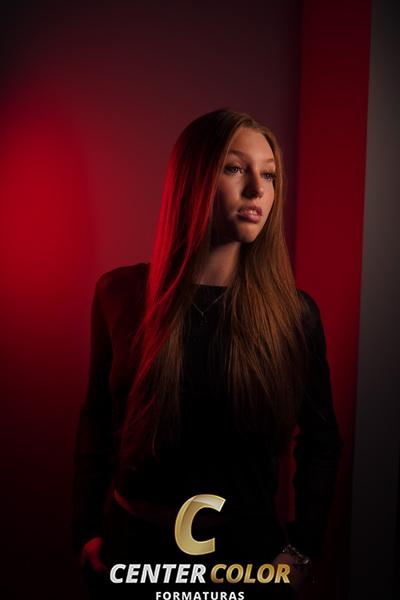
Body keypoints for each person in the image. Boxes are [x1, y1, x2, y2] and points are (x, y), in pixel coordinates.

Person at [72, 108, 344, 599]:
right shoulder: (119, 294)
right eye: (235, 168)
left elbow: (321, 441)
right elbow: (97, 419)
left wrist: (303, 548)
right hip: (132, 555)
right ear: (194, 180)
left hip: (245, 561)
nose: (257, 190)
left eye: (269, 175)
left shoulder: (294, 315)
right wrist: (87, 530)